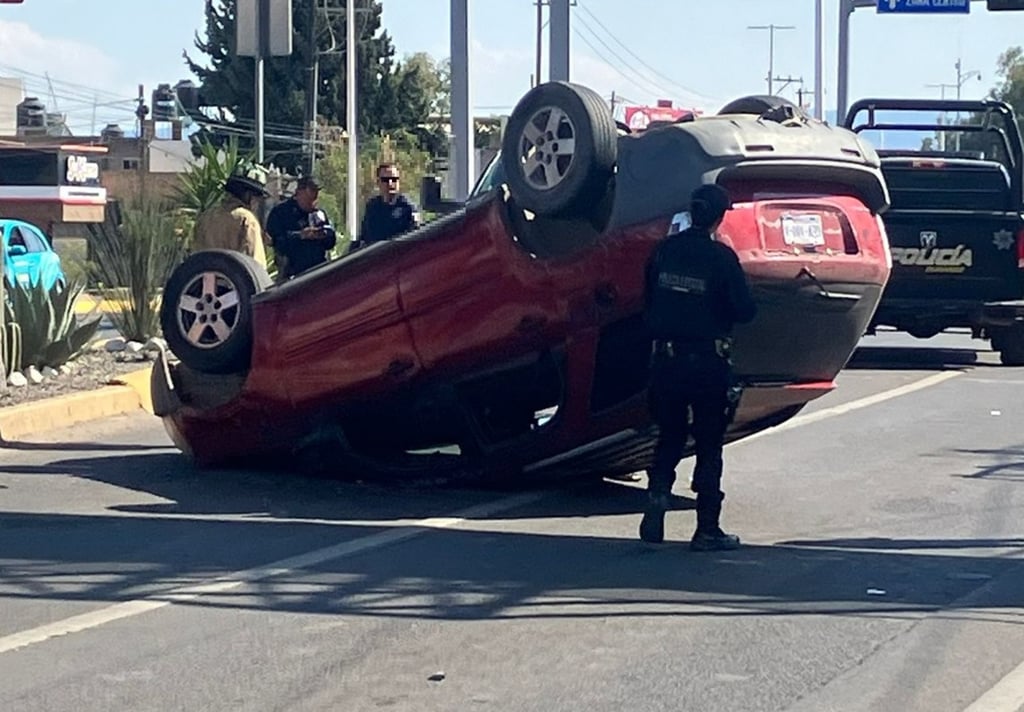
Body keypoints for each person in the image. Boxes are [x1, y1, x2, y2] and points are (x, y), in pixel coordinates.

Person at [639, 183, 757, 551]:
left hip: (666, 360)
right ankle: (707, 529)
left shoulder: (663, 252)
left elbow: (647, 303)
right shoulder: (722, 258)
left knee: (670, 434)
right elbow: (744, 311)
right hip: (707, 361)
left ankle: (658, 494)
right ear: (720, 216)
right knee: (708, 444)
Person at [192, 168, 270, 269]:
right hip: (234, 282)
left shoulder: (206, 216)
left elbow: (195, 254)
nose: (257, 203)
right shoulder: (247, 219)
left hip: (203, 280)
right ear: (248, 195)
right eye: (257, 197)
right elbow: (257, 265)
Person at [265, 176, 337, 280]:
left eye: (315, 198)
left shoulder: (318, 214)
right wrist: (301, 235)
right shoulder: (281, 213)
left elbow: (330, 242)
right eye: (309, 197)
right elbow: (276, 242)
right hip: (292, 272)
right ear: (299, 192)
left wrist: (323, 235)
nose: (313, 202)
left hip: (318, 271)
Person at [354, 162, 419, 249]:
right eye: (386, 180)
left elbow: (415, 237)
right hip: (374, 256)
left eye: (394, 179)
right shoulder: (372, 207)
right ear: (378, 182)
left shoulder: (408, 207)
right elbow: (364, 237)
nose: (390, 183)